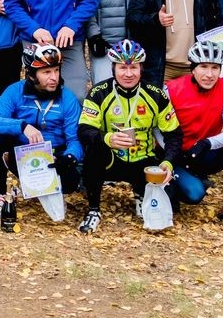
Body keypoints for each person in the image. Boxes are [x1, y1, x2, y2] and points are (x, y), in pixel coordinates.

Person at [76, 39, 182, 234]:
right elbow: (84, 129)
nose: (128, 73)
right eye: (122, 68)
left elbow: (174, 135)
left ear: (141, 68)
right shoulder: (98, 93)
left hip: (143, 160)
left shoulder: (155, 94)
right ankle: (93, 209)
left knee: (175, 202)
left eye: (133, 67)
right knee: (94, 151)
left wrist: (168, 163)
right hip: (111, 159)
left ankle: (141, 194)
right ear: (113, 68)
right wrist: (108, 138)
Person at [0, 44, 83, 219]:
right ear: (30, 74)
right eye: (46, 72)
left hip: (54, 155)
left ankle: (34, 186)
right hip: (22, 152)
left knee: (71, 182)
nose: (54, 78)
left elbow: (75, 139)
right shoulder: (15, 91)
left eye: (56, 71)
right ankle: (0, 195)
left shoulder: (68, 98)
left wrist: (69, 157)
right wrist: (22, 126)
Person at [165, 40, 223, 233]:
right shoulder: (172, 89)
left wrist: (207, 143)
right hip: (175, 157)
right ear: (193, 69)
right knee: (194, 195)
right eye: (203, 67)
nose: (209, 74)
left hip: (203, 152)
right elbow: (157, 129)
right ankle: (177, 186)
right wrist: (169, 157)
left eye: (215, 68)